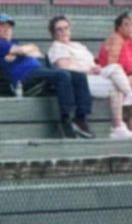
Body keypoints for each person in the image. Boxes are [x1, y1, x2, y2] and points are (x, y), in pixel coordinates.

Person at [47, 15, 132, 141]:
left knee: (116, 67)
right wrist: (87, 70)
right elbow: (65, 69)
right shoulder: (57, 47)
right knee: (115, 86)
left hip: (94, 74)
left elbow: (91, 62)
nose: (63, 32)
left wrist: (96, 67)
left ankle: (126, 105)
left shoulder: (78, 45)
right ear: (53, 33)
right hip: (81, 79)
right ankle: (119, 124)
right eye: (59, 29)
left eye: (66, 28)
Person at [0, 12, 95, 140]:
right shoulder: (2, 44)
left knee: (79, 77)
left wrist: (21, 51)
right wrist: (24, 50)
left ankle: (80, 118)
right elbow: (26, 50)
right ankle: (66, 120)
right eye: (2, 26)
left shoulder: (12, 43)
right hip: (24, 79)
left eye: (9, 27)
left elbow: (35, 51)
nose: (6, 30)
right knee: (62, 75)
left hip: (39, 71)